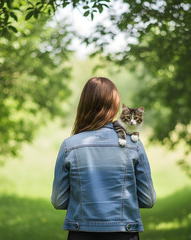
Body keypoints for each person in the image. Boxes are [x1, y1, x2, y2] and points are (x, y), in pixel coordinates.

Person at [51, 77, 156, 240]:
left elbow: (58, 201)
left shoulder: (69, 146)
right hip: (124, 234)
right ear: (115, 107)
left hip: (81, 234)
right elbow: (148, 200)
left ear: (83, 106)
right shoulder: (133, 145)